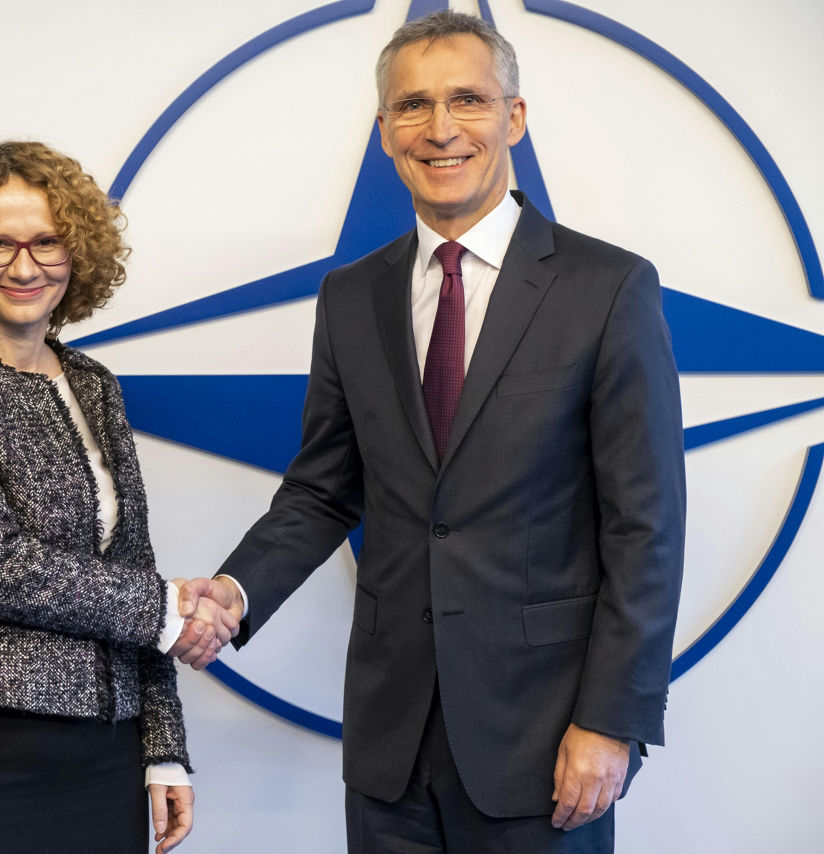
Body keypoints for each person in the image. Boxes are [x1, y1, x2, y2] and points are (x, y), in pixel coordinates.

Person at [173, 10, 685, 853]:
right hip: (389, 746)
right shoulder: (351, 297)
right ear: (384, 132)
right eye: (413, 107)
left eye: (468, 100)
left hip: (545, 741)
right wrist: (234, 593)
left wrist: (611, 720)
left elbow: (647, 529)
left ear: (513, 117)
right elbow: (321, 488)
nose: (440, 129)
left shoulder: (609, 288)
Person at [0, 140, 234, 854]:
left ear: (78, 255)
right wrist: (169, 608)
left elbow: (133, 565)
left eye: (46, 242)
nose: (24, 266)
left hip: (103, 752)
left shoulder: (94, 384)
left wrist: (163, 747)